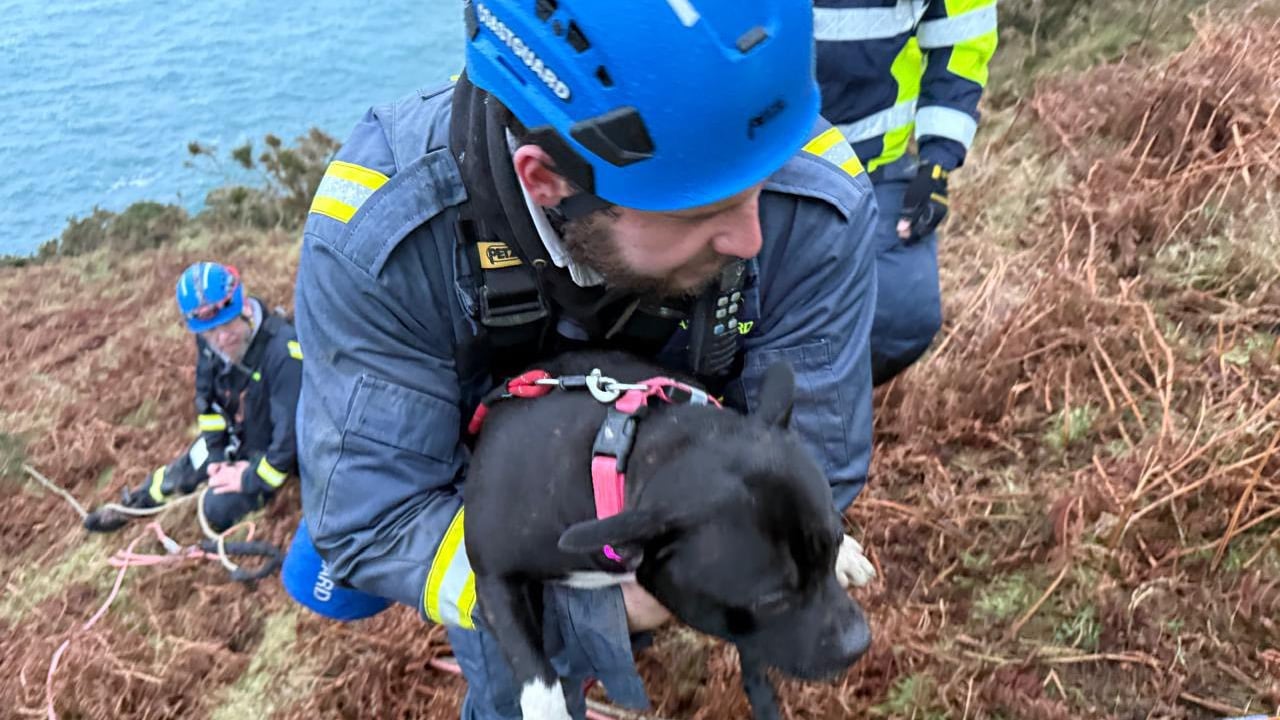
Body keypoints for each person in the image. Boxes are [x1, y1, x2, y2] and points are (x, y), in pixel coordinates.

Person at [294, 1, 877, 717]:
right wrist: (597, 603)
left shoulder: (815, 198)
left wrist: (706, 566)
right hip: (498, 504)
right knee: (515, 685)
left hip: (692, 473)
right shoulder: (380, 235)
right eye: (700, 215)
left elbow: (820, 445)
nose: (753, 238)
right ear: (546, 181)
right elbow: (378, 516)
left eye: (760, 184)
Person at [814, 0, 999, 384]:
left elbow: (963, 36)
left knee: (902, 317)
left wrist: (937, 162)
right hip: (759, 166)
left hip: (873, 170)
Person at [84, 262, 302, 534]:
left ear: (243, 305)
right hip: (238, 440)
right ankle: (137, 504)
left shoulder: (284, 353)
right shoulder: (210, 345)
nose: (222, 338)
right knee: (189, 464)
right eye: (211, 331)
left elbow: (289, 441)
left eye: (228, 324)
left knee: (216, 507)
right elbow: (207, 404)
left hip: (273, 456)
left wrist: (248, 478)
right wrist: (218, 454)